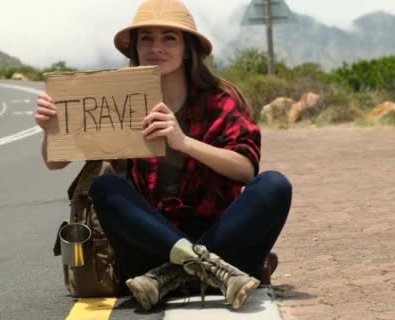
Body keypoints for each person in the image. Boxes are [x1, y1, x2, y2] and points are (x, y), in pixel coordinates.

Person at [35, 0, 292, 311]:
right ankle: (201, 268)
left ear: (187, 49)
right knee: (106, 187)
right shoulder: (120, 99)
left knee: (275, 185)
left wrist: (183, 142)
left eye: (169, 38)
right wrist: (52, 131)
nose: (157, 47)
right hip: (152, 244)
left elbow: (245, 170)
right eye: (147, 38)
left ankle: (172, 275)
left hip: (223, 239)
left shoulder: (219, 99)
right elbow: (55, 162)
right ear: (136, 49)